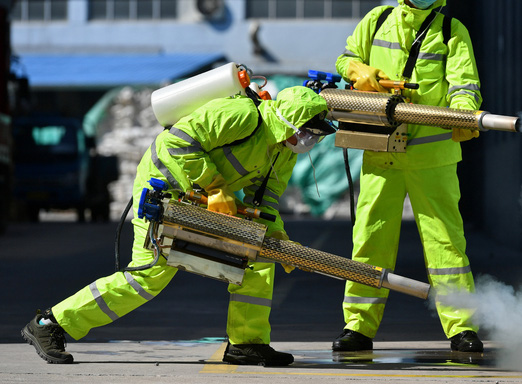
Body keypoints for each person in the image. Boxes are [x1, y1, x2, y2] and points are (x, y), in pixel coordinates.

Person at [21, 85, 335, 366]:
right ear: (288, 121)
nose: (310, 140)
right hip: (163, 189)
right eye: (309, 132)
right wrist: (213, 185)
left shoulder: (283, 152)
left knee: (257, 261)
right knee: (148, 275)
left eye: (316, 136)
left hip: (200, 197)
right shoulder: (241, 115)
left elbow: (264, 201)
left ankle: (247, 343)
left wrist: (277, 237)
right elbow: (176, 143)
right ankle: (51, 324)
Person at [332, 0, 484, 353]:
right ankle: (358, 327)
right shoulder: (377, 21)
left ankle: (461, 328)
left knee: (446, 244)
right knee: (370, 240)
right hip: (380, 151)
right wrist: (358, 71)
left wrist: (465, 115)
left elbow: (464, 84)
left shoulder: (452, 30)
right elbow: (346, 57)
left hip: (431, 156)